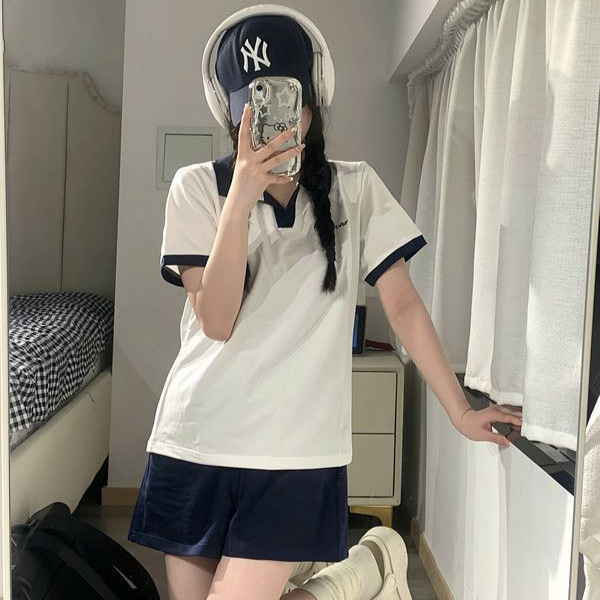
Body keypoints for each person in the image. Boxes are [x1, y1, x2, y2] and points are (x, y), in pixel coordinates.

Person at [127, 6, 524, 600]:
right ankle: (364, 573)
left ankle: (361, 573)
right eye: (253, 105)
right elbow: (216, 321)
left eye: (288, 101)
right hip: (195, 436)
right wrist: (241, 198)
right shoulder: (196, 188)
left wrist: (460, 411)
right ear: (232, 113)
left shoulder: (355, 188)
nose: (273, 122)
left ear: (312, 104)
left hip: (295, 451)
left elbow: (404, 308)